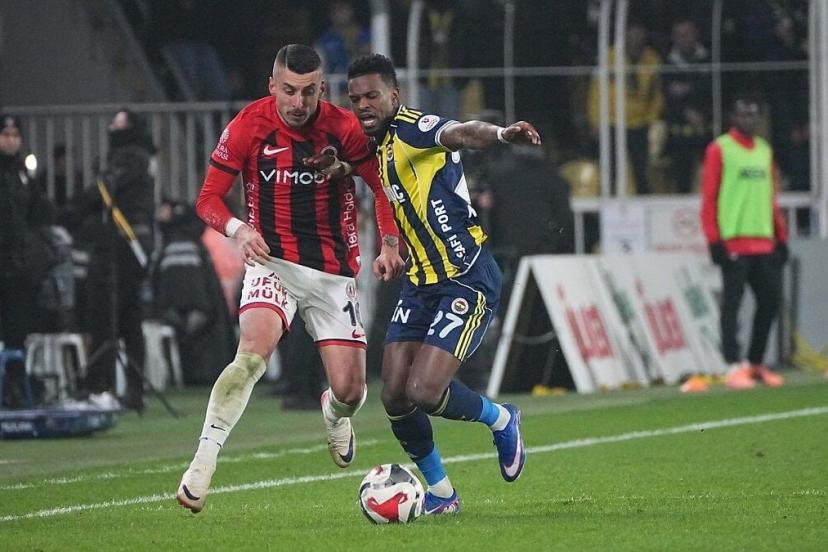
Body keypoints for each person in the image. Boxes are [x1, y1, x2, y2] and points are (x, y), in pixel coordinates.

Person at [177, 44, 404, 514]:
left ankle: (334, 413)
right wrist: (239, 230)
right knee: (249, 357)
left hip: (331, 271)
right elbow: (207, 200)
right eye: (288, 90)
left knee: (351, 391)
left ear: (322, 88)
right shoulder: (248, 125)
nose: (298, 102)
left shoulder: (343, 128)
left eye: (308, 92)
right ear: (272, 86)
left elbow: (381, 185)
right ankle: (201, 463)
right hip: (272, 261)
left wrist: (388, 243)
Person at [346, 53, 538, 515]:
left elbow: (462, 132)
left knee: (424, 393)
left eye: (372, 95)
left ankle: (502, 418)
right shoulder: (375, 143)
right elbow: (384, 192)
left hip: (465, 278)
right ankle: (441, 493)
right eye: (355, 99)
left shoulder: (415, 127)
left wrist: (500, 134)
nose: (363, 105)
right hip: (420, 282)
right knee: (394, 395)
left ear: (394, 95)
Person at [62, 109, 156, 411]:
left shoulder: (129, 157)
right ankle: (134, 390)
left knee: (105, 310)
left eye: (118, 122)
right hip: (136, 244)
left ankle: (98, 384)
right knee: (130, 316)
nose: (112, 126)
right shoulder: (143, 158)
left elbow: (103, 190)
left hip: (122, 243)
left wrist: (72, 211)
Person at [700, 97, 787, 390]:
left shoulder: (764, 150)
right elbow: (709, 197)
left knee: (770, 301)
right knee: (732, 305)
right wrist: (714, 240)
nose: (749, 120)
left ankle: (755, 362)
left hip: (763, 241)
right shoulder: (720, 149)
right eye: (743, 114)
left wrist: (781, 236)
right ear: (733, 117)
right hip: (734, 242)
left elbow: (770, 197)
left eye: (753, 114)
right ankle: (733, 364)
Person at [0, 114, 57, 408]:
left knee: (16, 329)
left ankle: (14, 388)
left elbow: (39, 213)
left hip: (17, 265)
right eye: (5, 135)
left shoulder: (23, 173)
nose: (10, 141)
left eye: (15, 135)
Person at [587, 19, 663, 195]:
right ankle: (608, 200)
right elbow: (596, 91)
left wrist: (652, 119)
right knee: (610, 168)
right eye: (632, 33)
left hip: (640, 122)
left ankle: (645, 202)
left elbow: (657, 94)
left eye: (639, 33)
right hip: (612, 121)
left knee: (641, 169)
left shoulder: (652, 59)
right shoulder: (609, 58)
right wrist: (595, 120)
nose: (636, 38)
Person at [662, 18, 711, 194]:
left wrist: (687, 89)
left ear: (696, 34)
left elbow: (713, 91)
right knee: (682, 181)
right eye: (680, 35)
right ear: (673, 37)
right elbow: (667, 97)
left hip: (708, 129)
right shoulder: (667, 64)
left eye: (688, 33)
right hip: (679, 133)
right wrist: (684, 111)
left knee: (712, 177)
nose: (684, 38)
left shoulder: (709, 59)